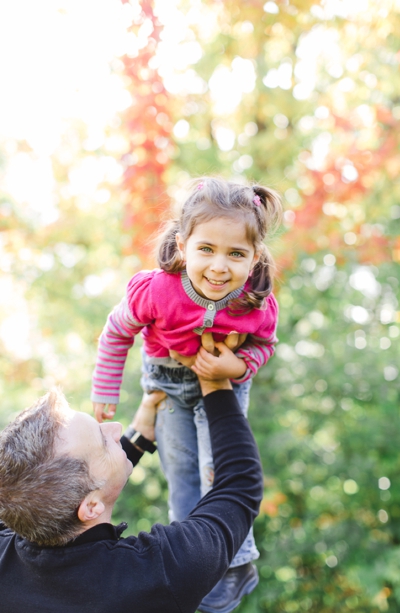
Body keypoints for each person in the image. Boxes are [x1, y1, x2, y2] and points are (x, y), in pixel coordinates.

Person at [91, 177, 282, 613]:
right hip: (168, 385)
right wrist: (106, 389)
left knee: (219, 472)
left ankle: (236, 563)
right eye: (207, 250)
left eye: (236, 254)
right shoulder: (159, 289)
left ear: (255, 258)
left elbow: (265, 346)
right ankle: (191, 564)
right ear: (183, 245)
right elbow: (117, 331)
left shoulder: (254, 303)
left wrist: (236, 367)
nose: (219, 267)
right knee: (182, 474)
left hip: (227, 384)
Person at [0, 350, 263, 613]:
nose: (114, 427)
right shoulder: (156, 575)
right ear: (91, 507)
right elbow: (240, 486)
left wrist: (136, 438)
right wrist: (215, 383)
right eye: (103, 441)